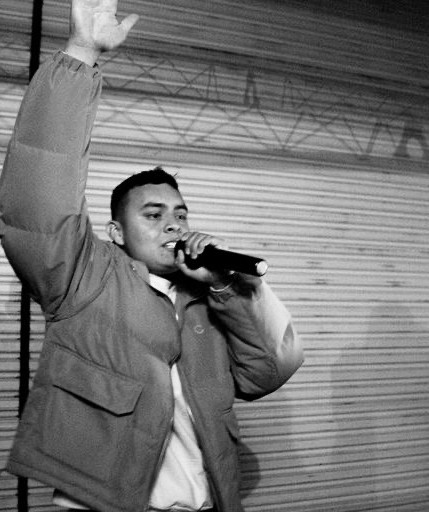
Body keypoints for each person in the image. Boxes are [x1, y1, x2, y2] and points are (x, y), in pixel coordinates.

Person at [0, 1, 304, 511]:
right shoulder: (86, 279)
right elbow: (39, 196)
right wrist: (81, 53)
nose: (174, 225)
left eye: (181, 214)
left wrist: (225, 287)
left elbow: (266, 374)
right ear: (116, 232)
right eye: (154, 214)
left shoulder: (208, 298)